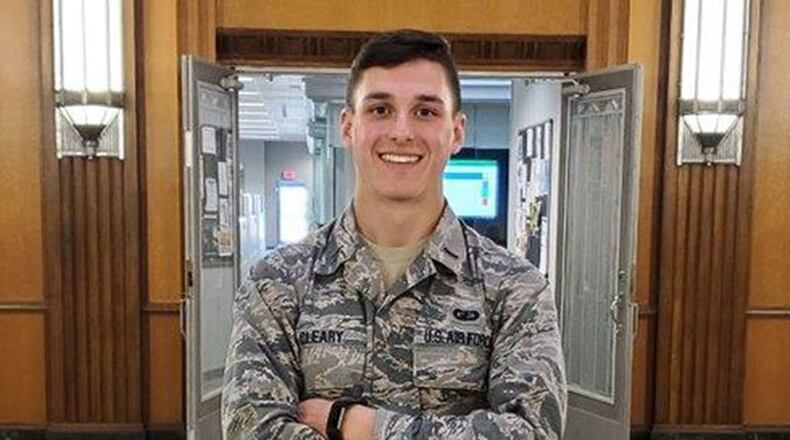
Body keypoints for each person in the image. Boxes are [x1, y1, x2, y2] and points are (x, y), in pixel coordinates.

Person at [221, 29, 567, 440]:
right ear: (348, 127)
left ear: (456, 132)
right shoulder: (277, 283)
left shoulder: (514, 289)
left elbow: (532, 433)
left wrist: (361, 426)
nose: (402, 131)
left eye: (425, 112)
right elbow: (251, 430)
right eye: (380, 109)